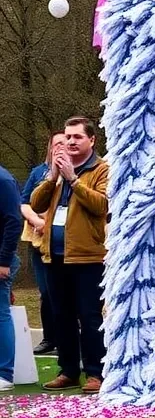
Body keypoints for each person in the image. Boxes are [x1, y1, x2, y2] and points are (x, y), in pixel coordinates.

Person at [30, 116, 108, 393]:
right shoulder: (55, 170)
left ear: (91, 140)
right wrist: (53, 178)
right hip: (54, 255)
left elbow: (101, 205)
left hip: (87, 256)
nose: (71, 142)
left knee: (89, 317)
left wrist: (73, 180)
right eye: (67, 137)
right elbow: (36, 203)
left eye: (77, 137)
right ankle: (69, 371)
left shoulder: (101, 169)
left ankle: (96, 372)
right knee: (60, 315)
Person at [20, 132, 64, 355]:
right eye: (56, 143)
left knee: (67, 293)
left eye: (65, 143)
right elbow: (24, 202)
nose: (60, 147)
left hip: (66, 243)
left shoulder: (77, 174)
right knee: (46, 292)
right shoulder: (38, 172)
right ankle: (49, 338)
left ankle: (70, 339)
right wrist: (37, 221)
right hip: (39, 242)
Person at [0, 162, 23, 392]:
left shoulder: (3, 180)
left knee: (0, 313)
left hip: (0, 259)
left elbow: (13, 221)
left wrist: (4, 261)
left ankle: (4, 373)